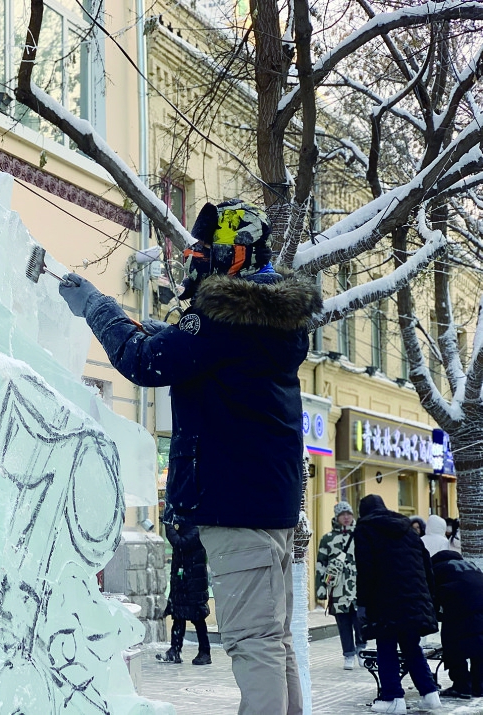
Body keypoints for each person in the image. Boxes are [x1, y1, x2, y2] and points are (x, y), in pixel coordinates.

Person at [58, 198, 322, 715]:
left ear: (231, 256)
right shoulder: (265, 319)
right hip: (265, 504)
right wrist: (170, 334)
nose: (194, 260)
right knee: (273, 641)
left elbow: (144, 362)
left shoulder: (223, 319)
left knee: (254, 643)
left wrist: (97, 307)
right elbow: (208, 358)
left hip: (236, 507)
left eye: (204, 251)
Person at [354, 494, 441, 713]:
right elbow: (427, 565)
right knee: (412, 646)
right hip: (415, 598)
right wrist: (429, 598)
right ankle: (430, 694)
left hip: (385, 599)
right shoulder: (408, 529)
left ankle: (393, 698)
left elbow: (366, 569)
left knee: (386, 646)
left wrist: (363, 603)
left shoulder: (365, 529)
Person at [315, 500, 366, 670]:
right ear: (336, 517)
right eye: (342, 514)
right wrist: (321, 589)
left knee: (360, 621)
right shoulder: (328, 539)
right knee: (343, 624)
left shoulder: (360, 536)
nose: (346, 517)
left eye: (348, 514)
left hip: (358, 588)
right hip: (337, 589)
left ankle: (361, 650)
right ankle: (348, 654)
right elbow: (321, 565)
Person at [431, 549, 483, 699]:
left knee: (453, 646)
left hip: (458, 610)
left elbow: (431, 594)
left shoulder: (436, 568)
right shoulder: (471, 566)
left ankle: (462, 686)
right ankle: (479, 686)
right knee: (480, 647)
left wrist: (435, 615)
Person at [157, 522, 211, 665]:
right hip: (182, 580)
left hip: (193, 581)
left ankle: (205, 652)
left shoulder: (196, 529)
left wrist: (168, 527)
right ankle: (174, 650)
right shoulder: (185, 528)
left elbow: (180, 544)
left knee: (198, 617)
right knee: (178, 616)